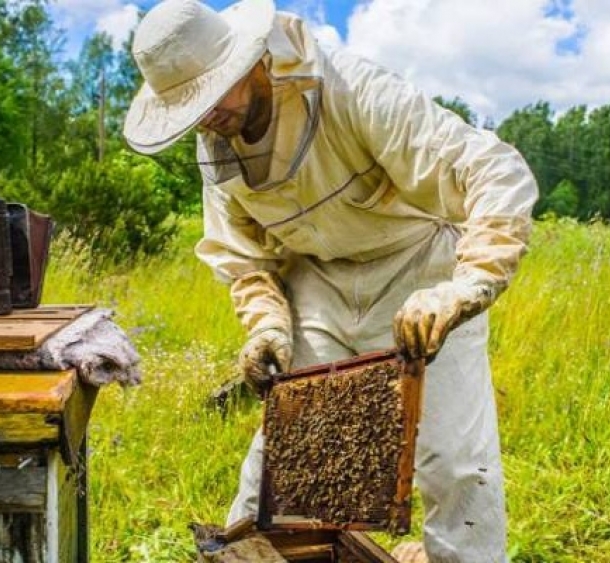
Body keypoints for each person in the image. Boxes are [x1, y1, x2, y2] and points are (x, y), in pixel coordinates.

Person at [123, 0, 538, 561]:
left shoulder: (352, 88)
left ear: (249, 62)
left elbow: (495, 170)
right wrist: (267, 326)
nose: (204, 118)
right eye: (189, 108)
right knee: (283, 454)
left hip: (418, 266)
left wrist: (469, 285)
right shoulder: (217, 147)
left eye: (209, 95)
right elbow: (243, 258)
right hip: (317, 280)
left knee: (454, 460)